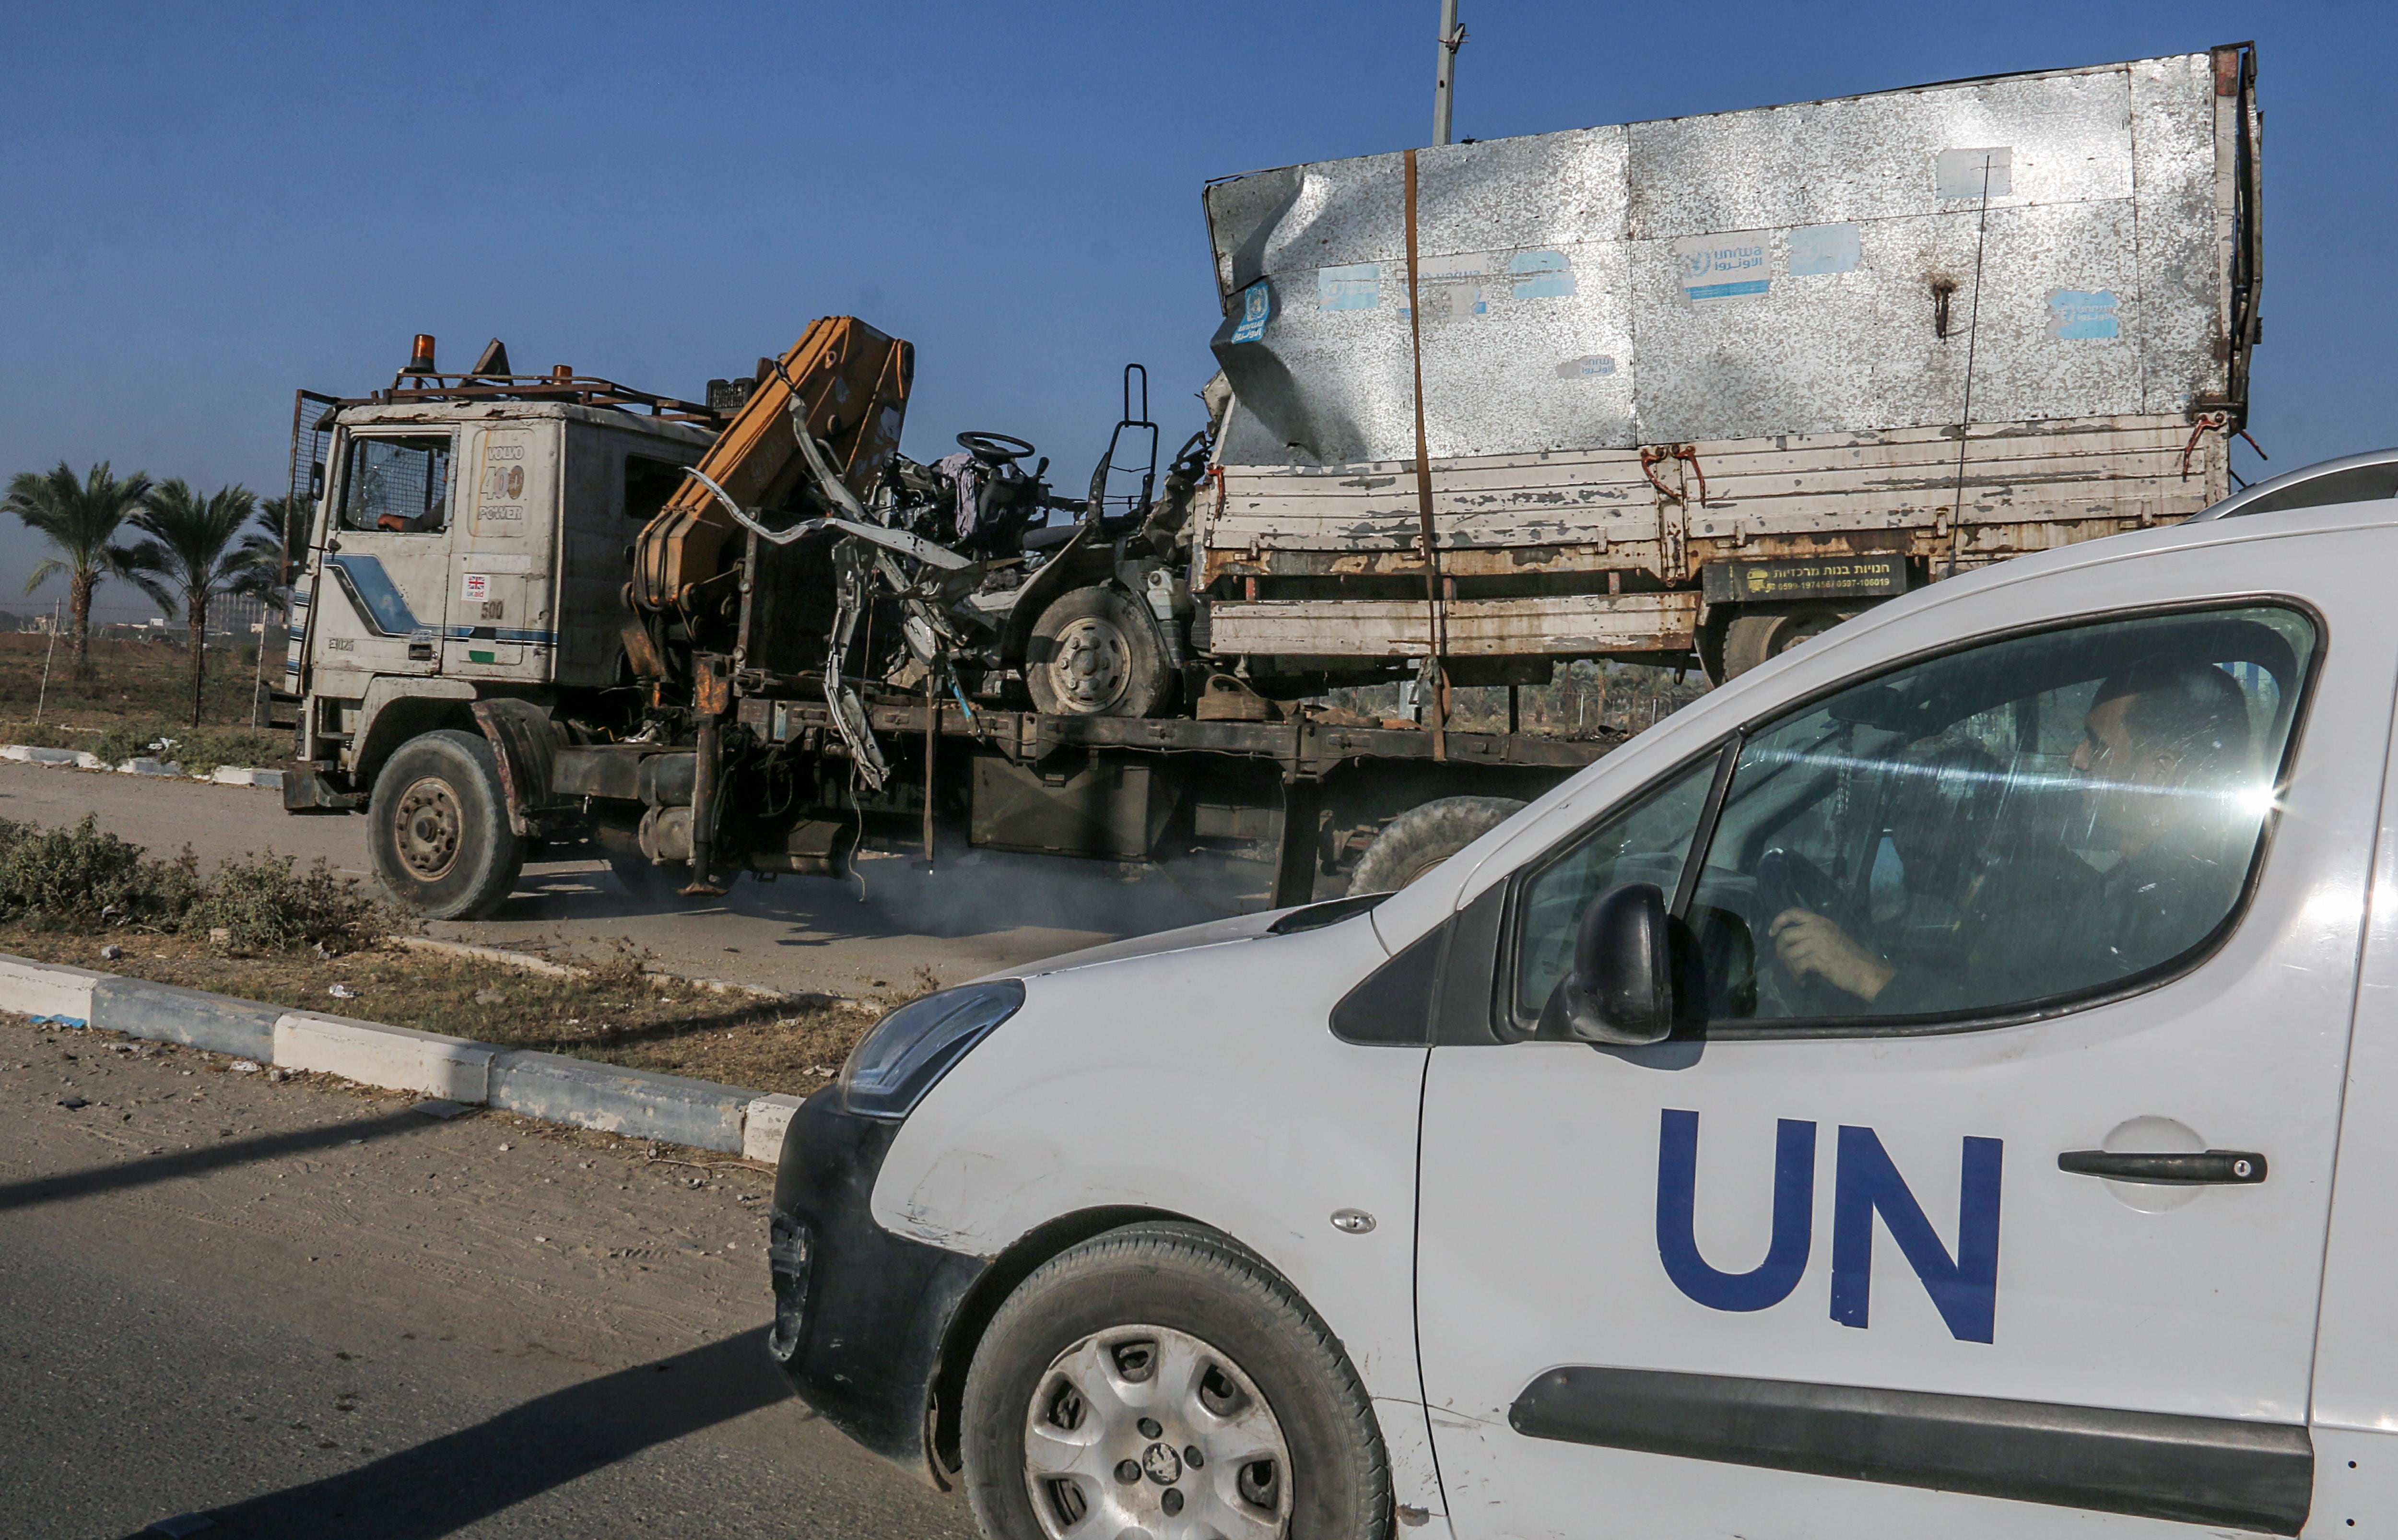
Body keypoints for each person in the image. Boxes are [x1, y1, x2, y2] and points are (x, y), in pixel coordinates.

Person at [1768, 657, 2254, 1013]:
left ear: (2159, 774)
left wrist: (1868, 975)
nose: (2076, 758)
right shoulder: (2143, 887)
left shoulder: (2174, 907)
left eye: (2097, 744)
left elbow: (2032, 1032)